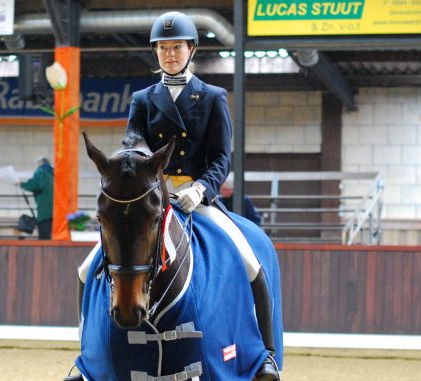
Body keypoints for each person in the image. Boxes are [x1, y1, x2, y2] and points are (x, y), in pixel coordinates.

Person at [69, 11, 280, 381]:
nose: (170, 54)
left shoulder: (212, 97)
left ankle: (266, 356)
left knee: (250, 260)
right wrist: (132, 168)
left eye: (176, 47)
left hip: (198, 199)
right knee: (87, 270)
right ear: (156, 53)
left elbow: (221, 157)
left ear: (190, 49)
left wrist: (200, 188)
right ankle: (87, 357)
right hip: (156, 197)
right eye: (163, 48)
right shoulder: (143, 99)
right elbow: (132, 145)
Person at [17, 156, 54, 240]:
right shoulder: (54, 173)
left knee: (44, 236)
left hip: (45, 210)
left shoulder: (40, 171)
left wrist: (21, 184)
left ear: (40, 163)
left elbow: (36, 184)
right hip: (57, 210)